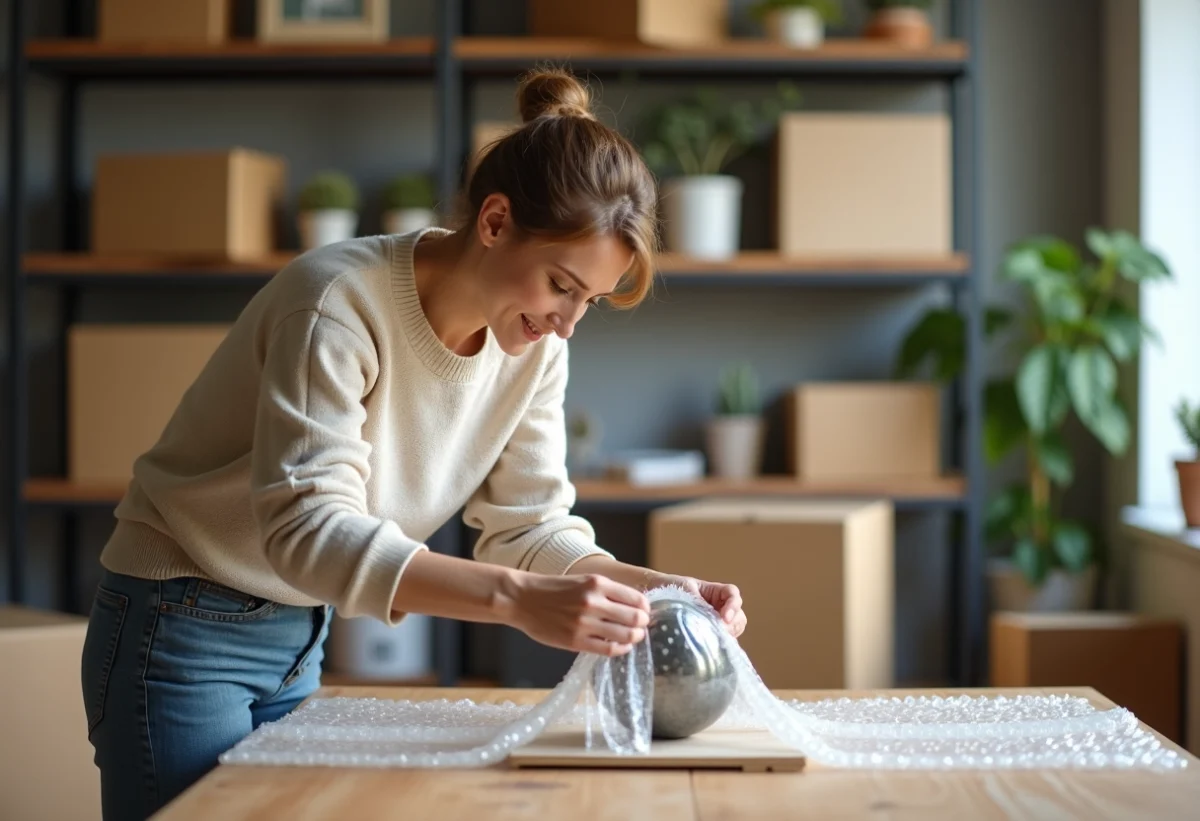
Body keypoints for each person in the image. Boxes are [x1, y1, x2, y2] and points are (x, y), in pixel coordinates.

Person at [79, 68, 748, 820]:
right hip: (178, 623)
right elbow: (306, 531)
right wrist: (517, 601)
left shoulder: (535, 348)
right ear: (494, 222)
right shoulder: (336, 304)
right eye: (561, 284)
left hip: (300, 629)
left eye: (587, 301)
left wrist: (657, 588)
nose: (567, 322)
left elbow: (529, 527)